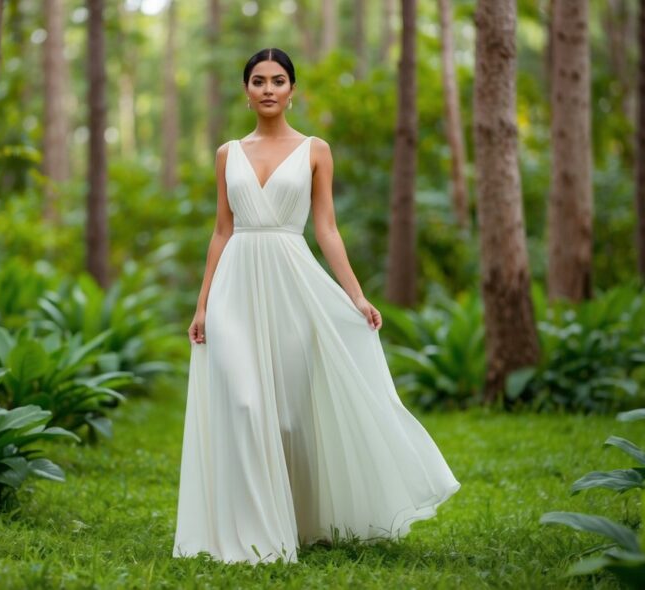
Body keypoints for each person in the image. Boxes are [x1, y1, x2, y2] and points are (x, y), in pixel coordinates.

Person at [172, 48, 461, 565]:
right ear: (245, 91)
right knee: (242, 403)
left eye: (277, 80)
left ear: (291, 90)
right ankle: (252, 539)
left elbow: (326, 229)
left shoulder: (314, 150)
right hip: (235, 284)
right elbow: (221, 230)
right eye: (257, 80)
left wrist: (355, 294)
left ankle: (301, 521)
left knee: (287, 418)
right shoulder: (226, 153)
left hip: (291, 281)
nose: (267, 89)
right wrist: (202, 305)